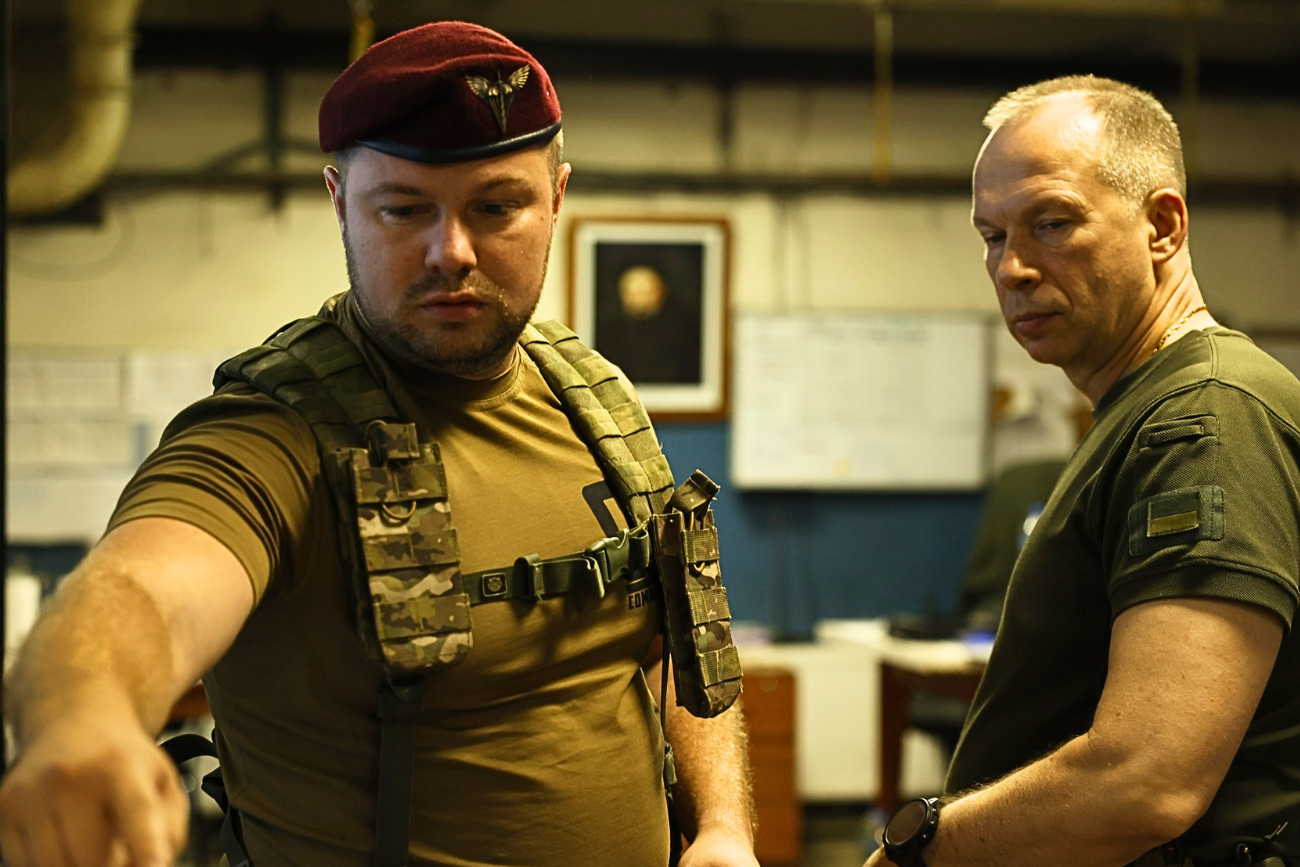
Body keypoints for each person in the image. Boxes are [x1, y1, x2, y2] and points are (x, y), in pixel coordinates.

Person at [0, 21, 758, 867]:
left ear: (556, 198)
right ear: (339, 202)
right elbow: (139, 590)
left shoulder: (597, 404)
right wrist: (81, 716)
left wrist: (722, 827)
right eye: (404, 209)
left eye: (495, 207)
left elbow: (673, 652)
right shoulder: (276, 437)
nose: (451, 252)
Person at [867, 76, 1300, 867]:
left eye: (1052, 223)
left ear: (1162, 226)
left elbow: (1146, 780)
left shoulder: (1203, 417)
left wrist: (920, 849)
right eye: (992, 235)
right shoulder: (1145, 410)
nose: (1012, 267)